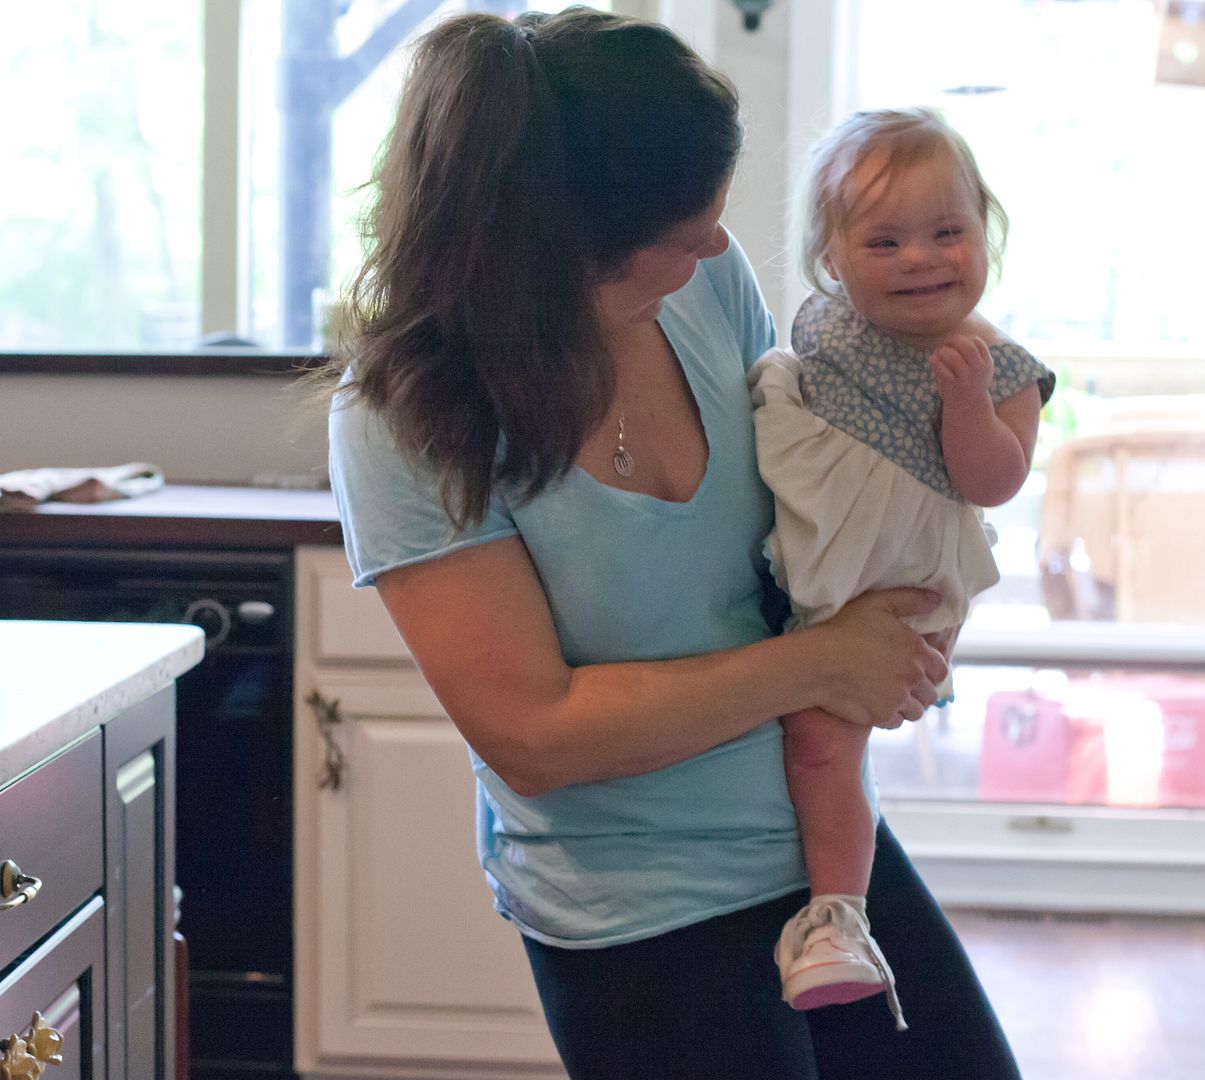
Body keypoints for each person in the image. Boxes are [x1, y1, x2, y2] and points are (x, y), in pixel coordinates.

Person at [320, 9, 1023, 1079]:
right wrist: (823, 663)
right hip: (632, 907)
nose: (712, 247)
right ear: (546, 255)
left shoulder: (702, 285)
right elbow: (536, 733)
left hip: (814, 844)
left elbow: (808, 495)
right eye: (681, 232)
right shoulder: (403, 424)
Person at [751, 108, 1054, 1026]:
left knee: (821, 738)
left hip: (904, 578)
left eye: (947, 232)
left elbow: (995, 483)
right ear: (832, 259)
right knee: (796, 731)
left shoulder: (998, 366)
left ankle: (838, 917)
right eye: (885, 240)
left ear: (985, 235)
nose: (921, 257)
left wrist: (966, 403)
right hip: (810, 555)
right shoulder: (826, 329)